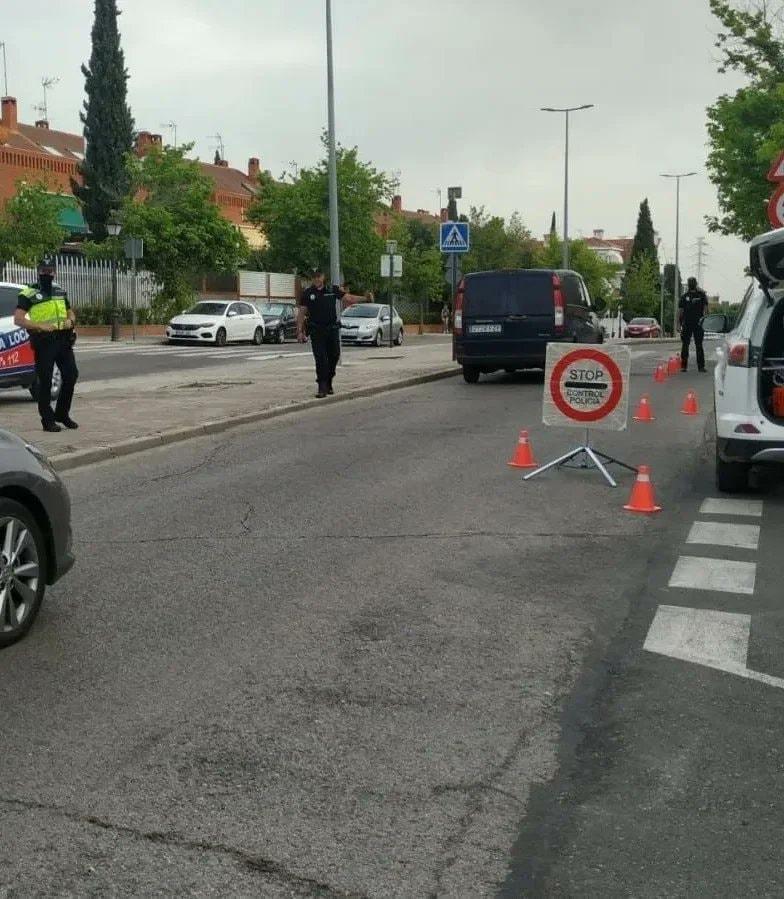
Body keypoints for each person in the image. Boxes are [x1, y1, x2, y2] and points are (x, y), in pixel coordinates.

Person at [14, 255, 79, 432]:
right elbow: (18, 320)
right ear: (38, 272)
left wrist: (70, 321)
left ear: (55, 273)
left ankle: (62, 414)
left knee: (71, 375)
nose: (47, 274)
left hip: (63, 340)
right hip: (44, 341)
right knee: (45, 381)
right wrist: (39, 325)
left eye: (50, 271)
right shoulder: (29, 293)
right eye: (43, 271)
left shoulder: (59, 292)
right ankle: (47, 419)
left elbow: (70, 313)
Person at [297, 269, 344, 398]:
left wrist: (365, 298)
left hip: (332, 329)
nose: (317, 279)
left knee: (335, 355)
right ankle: (322, 386)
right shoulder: (308, 293)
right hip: (317, 330)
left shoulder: (331, 290)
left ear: (323, 277)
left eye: (319, 276)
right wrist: (300, 331)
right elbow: (301, 313)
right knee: (321, 358)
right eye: (314, 277)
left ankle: (329, 380)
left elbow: (348, 298)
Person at [678, 276, 709, 372]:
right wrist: (678, 324)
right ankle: (688, 366)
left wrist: (678, 324)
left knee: (695, 345)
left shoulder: (700, 295)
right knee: (688, 345)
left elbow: (706, 309)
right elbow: (680, 311)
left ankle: (697, 366)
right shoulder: (686, 296)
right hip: (690, 323)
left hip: (696, 324)